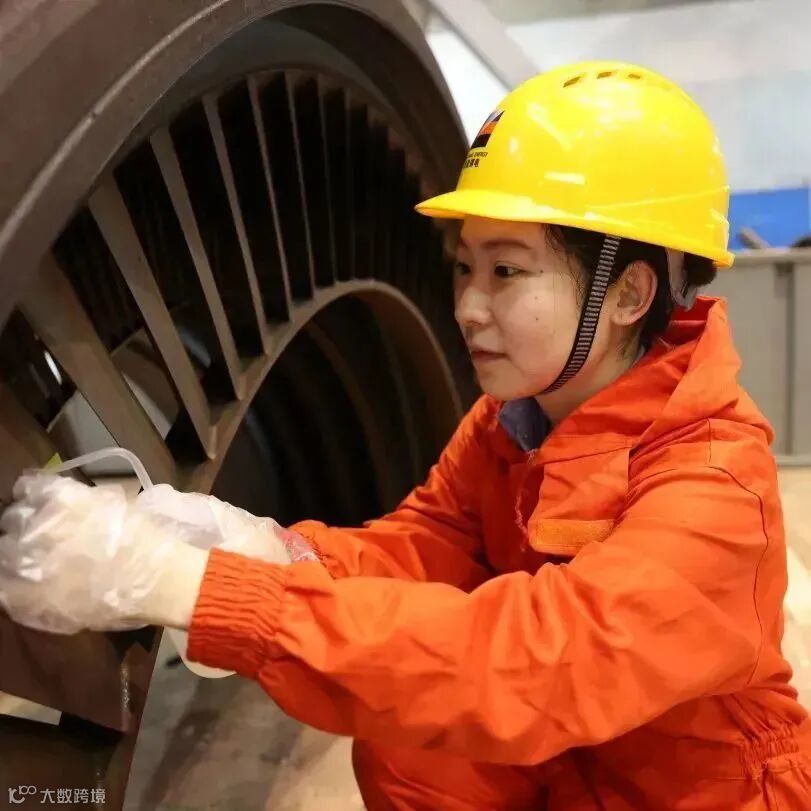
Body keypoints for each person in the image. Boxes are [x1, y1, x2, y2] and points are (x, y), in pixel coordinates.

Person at [2, 61, 810, 809]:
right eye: (464, 266)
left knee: (453, 696)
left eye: (506, 270)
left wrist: (196, 591)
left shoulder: (712, 485)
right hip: (577, 762)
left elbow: (539, 664)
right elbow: (428, 545)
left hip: (702, 790)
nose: (467, 306)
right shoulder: (516, 421)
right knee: (413, 741)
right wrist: (269, 553)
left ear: (627, 293)